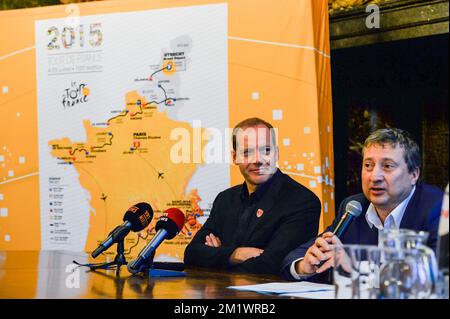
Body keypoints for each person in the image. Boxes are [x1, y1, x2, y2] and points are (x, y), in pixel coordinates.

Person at [281, 128, 444, 282]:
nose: (375, 176)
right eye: (368, 165)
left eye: (387, 166)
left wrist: (356, 269)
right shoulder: (354, 207)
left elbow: (435, 277)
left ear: (414, 175)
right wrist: (305, 265)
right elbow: (294, 257)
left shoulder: (438, 209)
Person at [184, 117, 321, 275]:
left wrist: (216, 257)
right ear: (234, 157)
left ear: (277, 153)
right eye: (247, 152)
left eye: (266, 150)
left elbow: (272, 265)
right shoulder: (225, 199)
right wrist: (238, 254)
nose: (258, 160)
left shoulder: (302, 201)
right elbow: (192, 254)